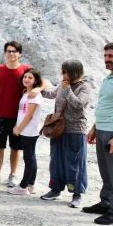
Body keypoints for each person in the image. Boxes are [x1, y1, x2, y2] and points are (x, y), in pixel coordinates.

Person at [39, 60, 92, 208]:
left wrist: (67, 89)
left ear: (74, 72)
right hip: (58, 129)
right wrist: (37, 89)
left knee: (75, 163)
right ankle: (55, 189)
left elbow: (78, 104)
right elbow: (51, 93)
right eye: (62, 71)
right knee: (56, 161)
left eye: (65, 72)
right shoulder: (63, 84)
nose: (62, 74)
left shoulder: (84, 87)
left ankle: (77, 194)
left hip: (75, 131)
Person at [84, 42, 113, 225]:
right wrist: (94, 127)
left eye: (110, 56)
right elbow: (105, 107)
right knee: (106, 172)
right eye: (105, 56)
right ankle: (107, 203)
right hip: (102, 130)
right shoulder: (109, 79)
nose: (106, 59)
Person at [0, 41, 31, 189]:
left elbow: (41, 82)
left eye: (14, 51)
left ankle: (13, 175)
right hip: (0, 114)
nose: (11, 53)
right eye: (9, 51)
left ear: (20, 54)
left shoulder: (26, 70)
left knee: (15, 147)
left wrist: (39, 89)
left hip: (18, 116)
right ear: (5, 53)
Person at [9, 70, 44, 196]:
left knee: (28, 158)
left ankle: (23, 186)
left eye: (30, 78)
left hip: (29, 131)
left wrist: (19, 129)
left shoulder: (35, 95)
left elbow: (29, 115)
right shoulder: (26, 93)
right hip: (25, 129)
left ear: (35, 81)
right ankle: (30, 185)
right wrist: (16, 126)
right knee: (31, 157)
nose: (27, 79)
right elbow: (22, 112)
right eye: (25, 77)